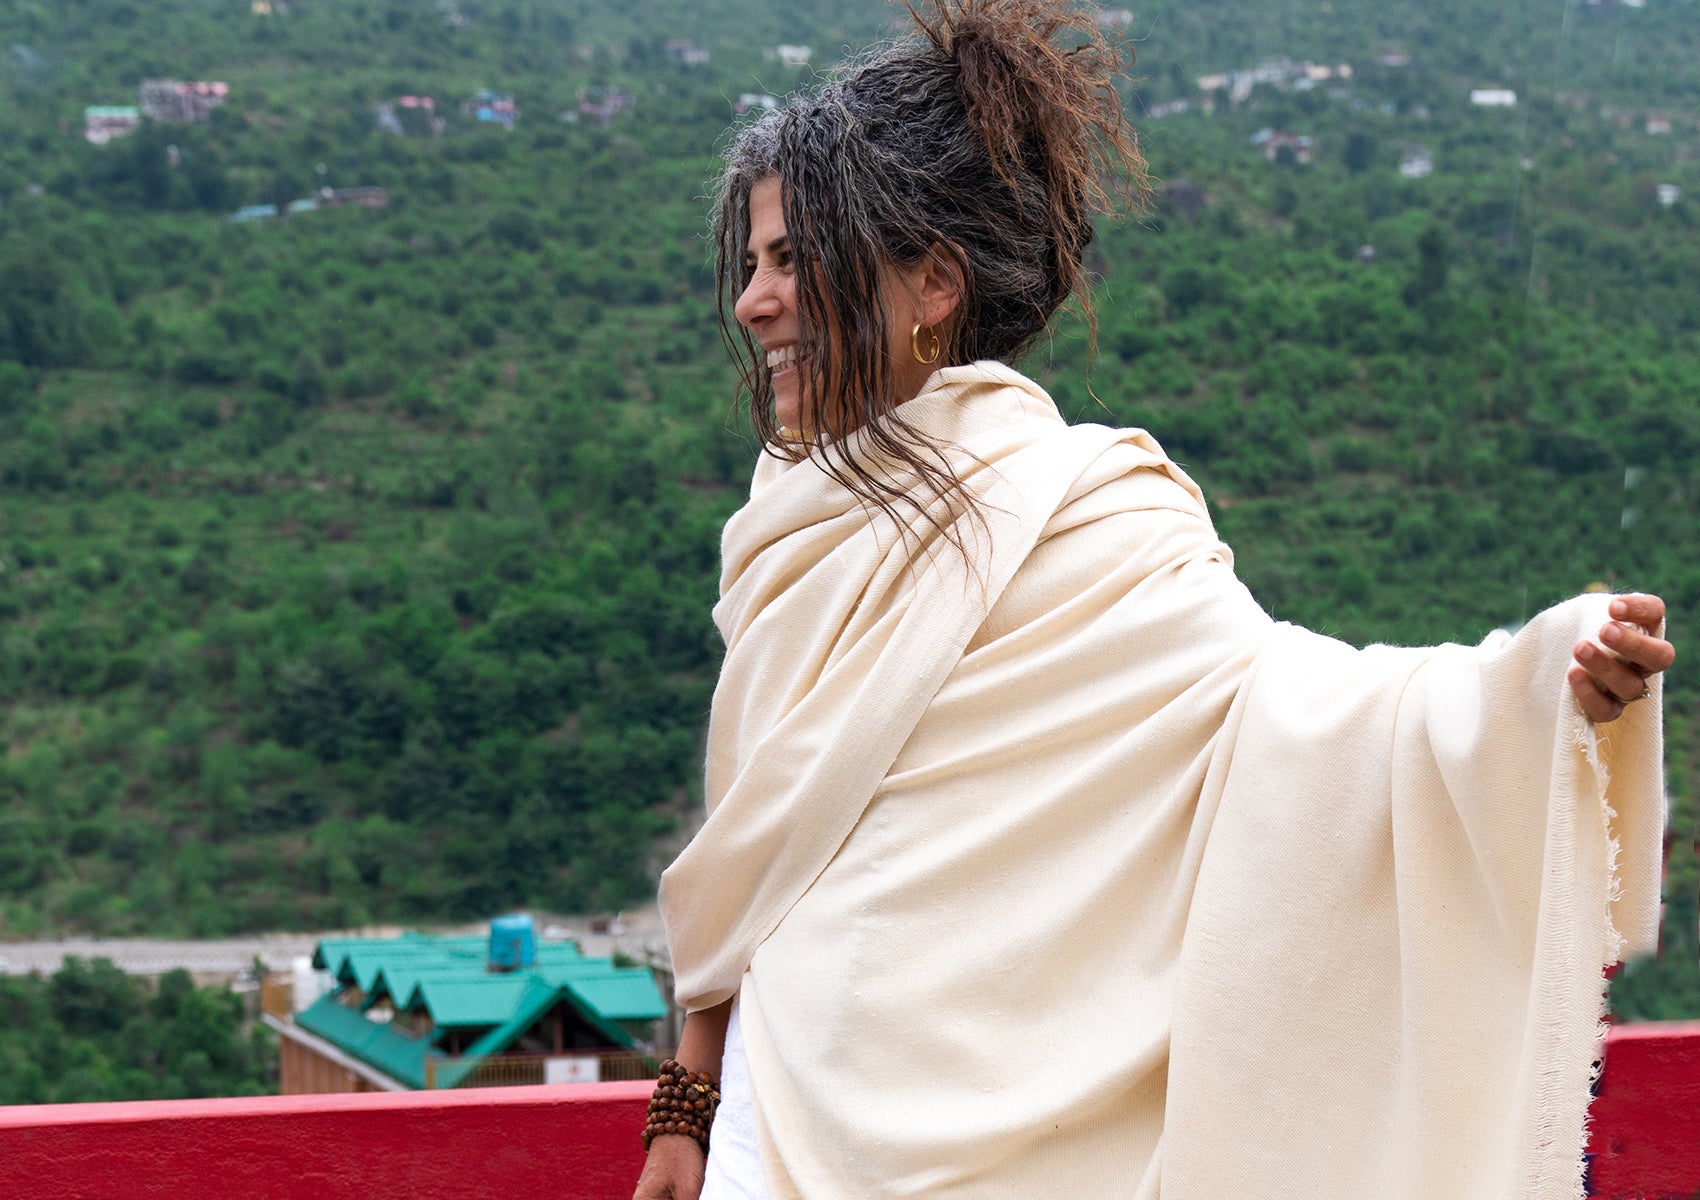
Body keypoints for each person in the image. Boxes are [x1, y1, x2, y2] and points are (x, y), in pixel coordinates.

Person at [633, 3, 1675, 1197]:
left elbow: (1297, 716)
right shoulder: (782, 526)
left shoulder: (1091, 508)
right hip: (778, 1124)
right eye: (753, 264)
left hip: (1012, 1138)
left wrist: (1532, 686)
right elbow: (751, 847)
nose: (753, 302)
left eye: (791, 260)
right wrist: (688, 1101)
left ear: (929, 281)